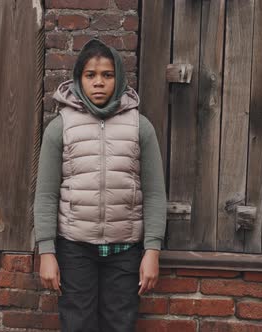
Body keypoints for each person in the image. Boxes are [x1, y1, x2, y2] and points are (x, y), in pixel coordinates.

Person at [34, 39, 167, 332]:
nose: (98, 83)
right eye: (90, 75)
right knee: (77, 324)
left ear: (118, 78)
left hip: (126, 250)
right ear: (79, 79)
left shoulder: (139, 126)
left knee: (120, 324)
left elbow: (156, 194)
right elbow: (45, 194)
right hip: (75, 248)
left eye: (107, 75)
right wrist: (46, 252)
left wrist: (152, 251)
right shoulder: (61, 127)